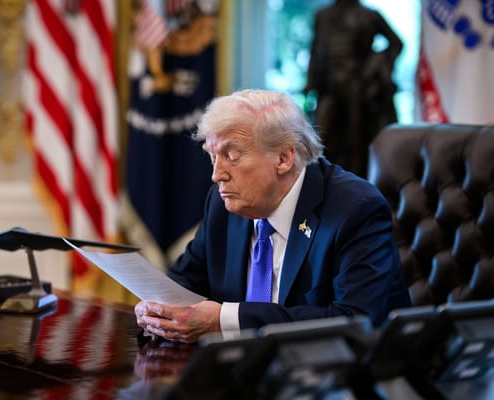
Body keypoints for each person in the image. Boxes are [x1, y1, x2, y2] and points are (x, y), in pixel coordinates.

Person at [134, 89, 410, 343]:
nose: (217, 175)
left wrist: (223, 320)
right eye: (212, 156)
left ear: (283, 159)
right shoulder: (223, 205)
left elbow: (356, 321)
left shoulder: (355, 209)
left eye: (231, 156)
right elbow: (186, 280)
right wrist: (159, 309)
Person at [304, 0, 403, 177]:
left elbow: (396, 43)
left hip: (357, 87)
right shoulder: (323, 15)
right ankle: (323, 184)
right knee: (320, 138)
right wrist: (311, 83)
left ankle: (358, 182)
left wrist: (375, 66)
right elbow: (316, 50)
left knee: (357, 141)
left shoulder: (370, 15)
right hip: (330, 87)